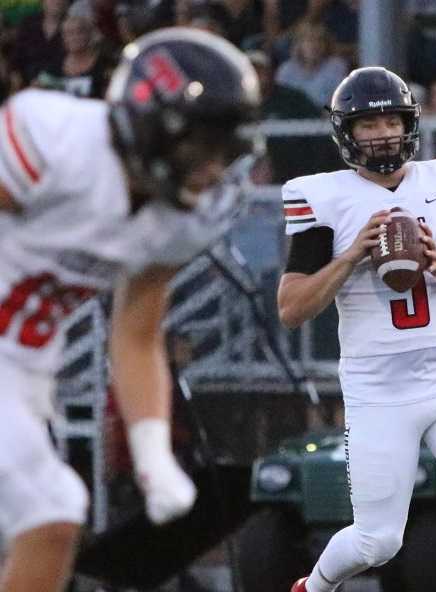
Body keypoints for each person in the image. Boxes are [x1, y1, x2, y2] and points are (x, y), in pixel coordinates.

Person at [0, 27, 261, 592]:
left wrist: (152, 453)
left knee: (53, 513)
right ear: (152, 124)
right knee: (52, 503)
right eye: (203, 148)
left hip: (22, 365)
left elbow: (137, 333)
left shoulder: (180, 218)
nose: (213, 170)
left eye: (223, 152)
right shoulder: (55, 138)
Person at [279, 66, 436, 592]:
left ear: (409, 122)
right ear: (348, 133)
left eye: (391, 120)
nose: (383, 133)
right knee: (378, 541)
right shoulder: (323, 197)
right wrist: (350, 258)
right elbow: (292, 309)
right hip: (377, 387)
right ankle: (315, 587)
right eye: (368, 124)